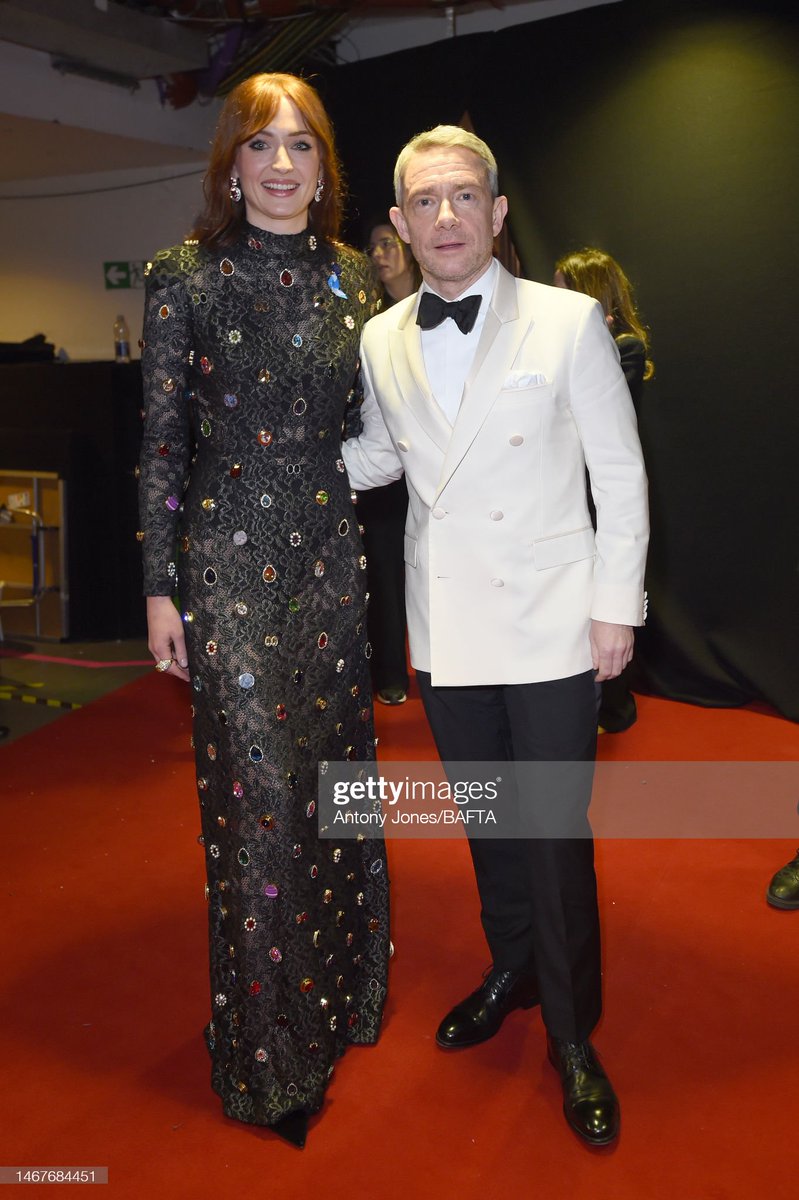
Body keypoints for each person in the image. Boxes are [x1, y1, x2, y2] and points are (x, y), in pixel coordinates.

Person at [342, 126, 648, 1147]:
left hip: (554, 624)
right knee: (486, 821)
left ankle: (571, 1033)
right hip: (450, 627)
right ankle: (511, 968)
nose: (443, 218)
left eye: (462, 197)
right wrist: (279, 467)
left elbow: (620, 472)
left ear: (497, 211)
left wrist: (616, 606)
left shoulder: (566, 322)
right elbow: (384, 458)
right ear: (396, 222)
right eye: (423, 202)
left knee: (551, 834)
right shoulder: (382, 336)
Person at [137, 72, 390, 1147]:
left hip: (330, 561)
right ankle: (267, 1055)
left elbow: (385, 429)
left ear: (324, 166)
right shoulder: (182, 277)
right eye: (260, 146)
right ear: (229, 166)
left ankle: (333, 1002)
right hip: (228, 571)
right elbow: (161, 447)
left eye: (301, 146)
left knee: (332, 786)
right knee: (258, 804)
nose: (282, 165)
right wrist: (158, 584)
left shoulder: (352, 282)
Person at [554, 246, 654, 734]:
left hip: (604, 494)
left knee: (611, 601)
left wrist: (595, 336)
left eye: (563, 287)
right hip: (571, 492)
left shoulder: (626, 344)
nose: (554, 296)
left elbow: (616, 411)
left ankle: (616, 705)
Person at [352, 220, 421, 706]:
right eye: (372, 246)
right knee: (383, 569)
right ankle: (391, 673)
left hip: (439, 464)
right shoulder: (366, 317)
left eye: (387, 243)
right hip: (382, 463)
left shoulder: (440, 300)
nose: (378, 253)